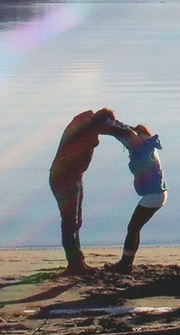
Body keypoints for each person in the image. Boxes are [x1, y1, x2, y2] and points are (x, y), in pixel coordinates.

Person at [49, 108, 132, 275]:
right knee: (70, 222)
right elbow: (113, 130)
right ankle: (74, 264)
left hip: (72, 176)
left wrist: (133, 128)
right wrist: (133, 135)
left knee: (76, 221)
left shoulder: (87, 122)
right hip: (65, 179)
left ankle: (77, 260)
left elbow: (112, 128)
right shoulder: (87, 126)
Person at [105, 124, 168, 274]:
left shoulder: (142, 150)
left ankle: (125, 264)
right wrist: (114, 124)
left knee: (132, 228)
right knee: (135, 228)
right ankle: (126, 262)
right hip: (158, 193)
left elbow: (136, 169)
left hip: (153, 195)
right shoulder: (149, 145)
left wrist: (112, 129)